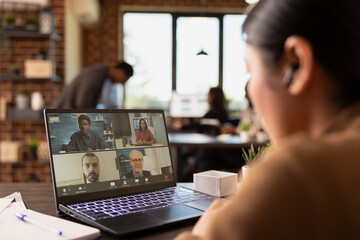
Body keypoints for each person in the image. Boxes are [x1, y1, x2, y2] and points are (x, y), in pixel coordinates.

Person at [176, 0, 360, 239]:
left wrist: (204, 232)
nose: (251, 87)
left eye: (250, 71)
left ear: (297, 64)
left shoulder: (297, 171)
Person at [52, 61, 133, 108]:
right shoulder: (97, 74)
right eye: (124, 79)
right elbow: (82, 102)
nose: (122, 83)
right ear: (120, 72)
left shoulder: (102, 75)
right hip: (63, 111)